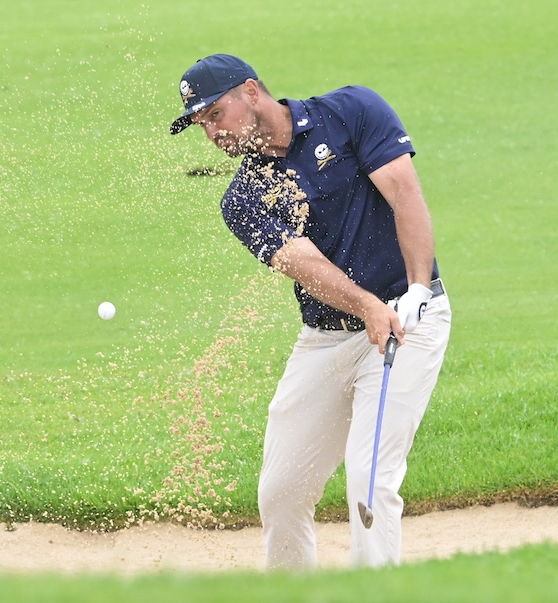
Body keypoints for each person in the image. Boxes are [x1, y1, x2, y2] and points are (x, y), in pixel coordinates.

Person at [170, 54, 451, 570]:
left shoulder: (351, 112)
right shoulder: (243, 198)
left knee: (370, 478)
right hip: (326, 337)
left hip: (407, 321)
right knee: (281, 490)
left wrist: (416, 289)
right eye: (200, 124)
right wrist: (366, 305)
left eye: (215, 114)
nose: (211, 132)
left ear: (250, 91)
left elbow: (405, 194)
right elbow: (305, 265)